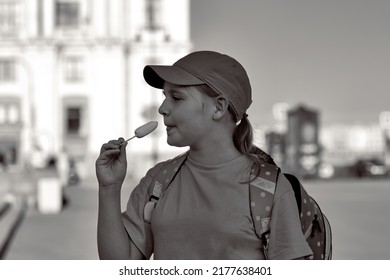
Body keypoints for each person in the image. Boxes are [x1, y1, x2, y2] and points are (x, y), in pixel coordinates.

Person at [96, 50, 313, 260]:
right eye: (164, 96)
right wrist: (109, 188)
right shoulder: (158, 181)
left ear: (218, 107)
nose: (162, 108)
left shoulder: (269, 188)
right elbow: (119, 264)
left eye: (177, 97)